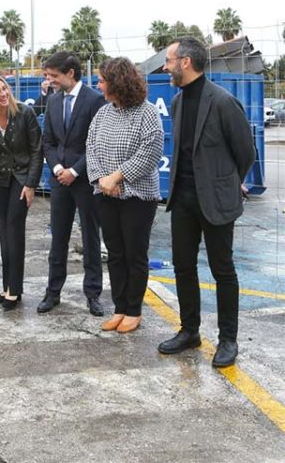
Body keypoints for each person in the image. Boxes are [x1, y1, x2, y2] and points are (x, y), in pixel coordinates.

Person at [157, 37, 256, 367]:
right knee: (183, 266)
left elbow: (245, 153)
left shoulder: (223, 102)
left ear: (185, 62)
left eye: (170, 60)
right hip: (182, 201)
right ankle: (190, 331)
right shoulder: (178, 101)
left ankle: (228, 340)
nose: (166, 66)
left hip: (215, 202)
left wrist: (225, 183)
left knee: (222, 270)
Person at [86, 57, 164, 333]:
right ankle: (119, 307)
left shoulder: (148, 113)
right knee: (115, 253)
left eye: (102, 80)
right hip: (105, 194)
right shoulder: (103, 113)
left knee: (135, 253)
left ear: (117, 82)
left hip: (138, 197)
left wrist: (117, 176)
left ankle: (134, 310)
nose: (98, 84)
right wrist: (101, 180)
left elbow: (150, 151)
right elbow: (90, 146)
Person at [39, 51, 106, 316]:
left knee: (90, 237)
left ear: (70, 73)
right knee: (58, 238)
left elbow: (97, 143)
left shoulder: (94, 100)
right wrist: (57, 168)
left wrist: (75, 172)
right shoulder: (53, 101)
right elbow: (48, 141)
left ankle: (93, 294)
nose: (50, 80)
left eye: (54, 76)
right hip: (59, 181)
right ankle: (52, 292)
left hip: (85, 180)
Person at [0, 75, 42, 311]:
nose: (3, 94)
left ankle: (15, 288)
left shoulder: (25, 112)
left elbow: (36, 150)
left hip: (22, 179)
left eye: (4, 89)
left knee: (14, 229)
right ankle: (8, 286)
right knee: (3, 233)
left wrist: (31, 184)